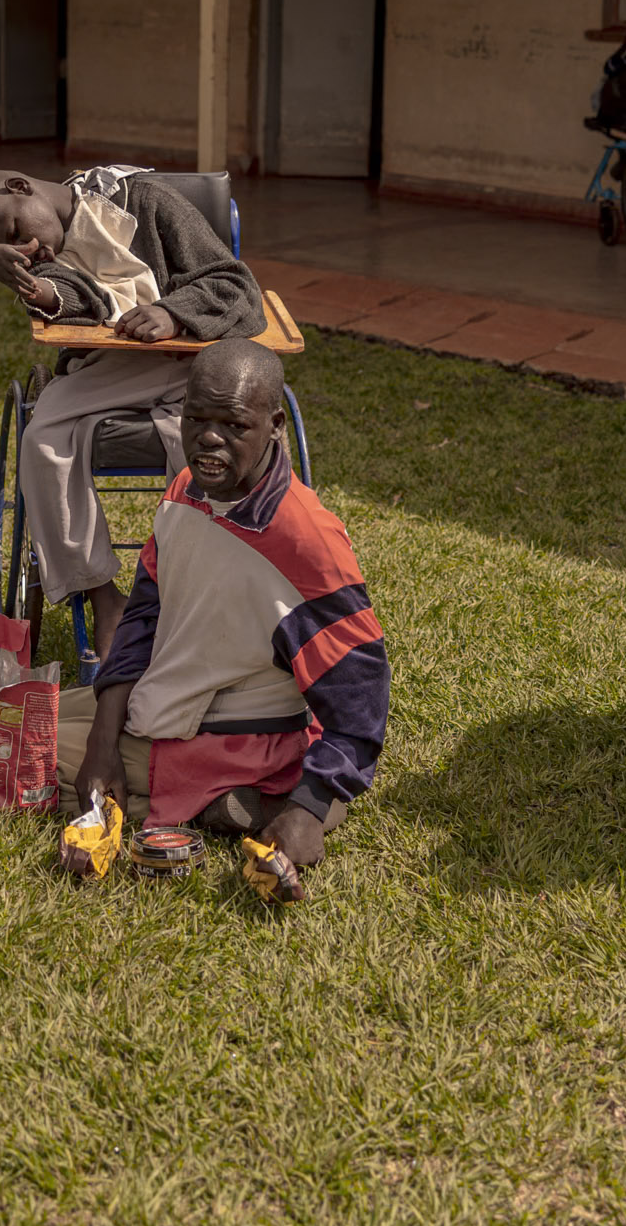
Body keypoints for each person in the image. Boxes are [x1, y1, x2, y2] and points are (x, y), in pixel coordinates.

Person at [57, 339, 388, 904]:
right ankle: (222, 800)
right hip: (163, 701)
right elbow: (142, 618)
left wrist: (311, 808)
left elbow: (360, 700)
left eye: (234, 424)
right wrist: (102, 743)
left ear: (274, 425)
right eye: (195, 419)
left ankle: (253, 797)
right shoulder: (190, 488)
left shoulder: (305, 539)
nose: (208, 439)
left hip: (223, 738)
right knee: (21, 711)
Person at [0, 164, 265, 659]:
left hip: (190, 363)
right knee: (41, 442)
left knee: (51, 427)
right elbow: (69, 296)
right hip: (109, 369)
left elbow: (234, 285)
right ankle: (105, 598)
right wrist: (23, 280)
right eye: (16, 249)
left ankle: (200, 595)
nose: (31, 250)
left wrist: (172, 313)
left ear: (22, 186)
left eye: (17, 231)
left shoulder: (146, 202)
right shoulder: (47, 252)